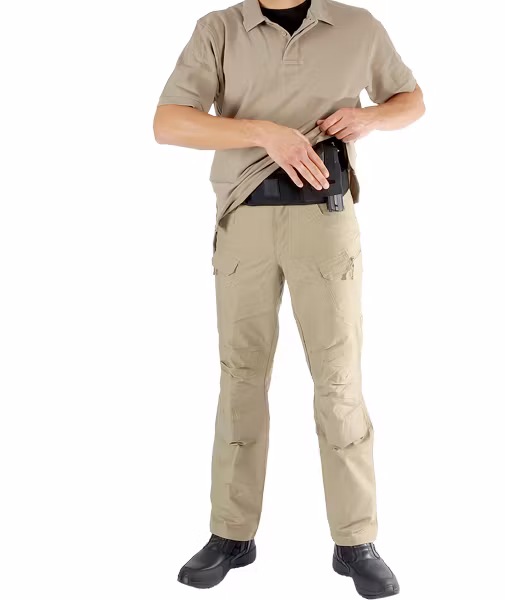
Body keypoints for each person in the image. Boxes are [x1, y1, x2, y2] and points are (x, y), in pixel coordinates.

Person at [153, 0, 425, 597]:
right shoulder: (219, 30)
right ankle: (231, 534)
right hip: (245, 220)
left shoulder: (358, 26)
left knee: (338, 380)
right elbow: (168, 122)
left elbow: (412, 100)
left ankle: (356, 541)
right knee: (241, 378)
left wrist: (371, 117)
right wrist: (261, 132)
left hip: (326, 221)